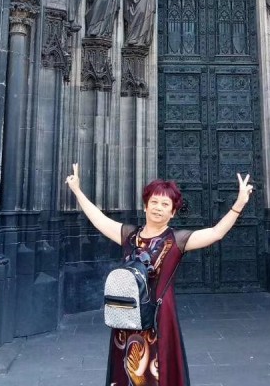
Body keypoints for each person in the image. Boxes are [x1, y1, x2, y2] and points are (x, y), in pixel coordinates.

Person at [65, 164, 254, 386]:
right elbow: (99, 219)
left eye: (165, 204)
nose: (158, 208)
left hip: (159, 316)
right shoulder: (129, 235)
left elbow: (216, 233)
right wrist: (77, 190)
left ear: (172, 212)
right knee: (127, 367)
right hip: (128, 315)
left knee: (158, 369)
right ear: (145, 206)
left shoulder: (177, 240)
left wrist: (239, 204)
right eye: (154, 202)